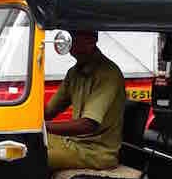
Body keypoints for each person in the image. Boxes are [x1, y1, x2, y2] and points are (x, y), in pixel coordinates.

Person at [45, 31, 126, 171]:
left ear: (92, 40)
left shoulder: (108, 73)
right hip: (73, 143)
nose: (69, 41)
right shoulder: (74, 73)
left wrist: (43, 128)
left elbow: (87, 125)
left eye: (74, 35)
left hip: (95, 152)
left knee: (34, 156)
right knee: (23, 144)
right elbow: (48, 112)